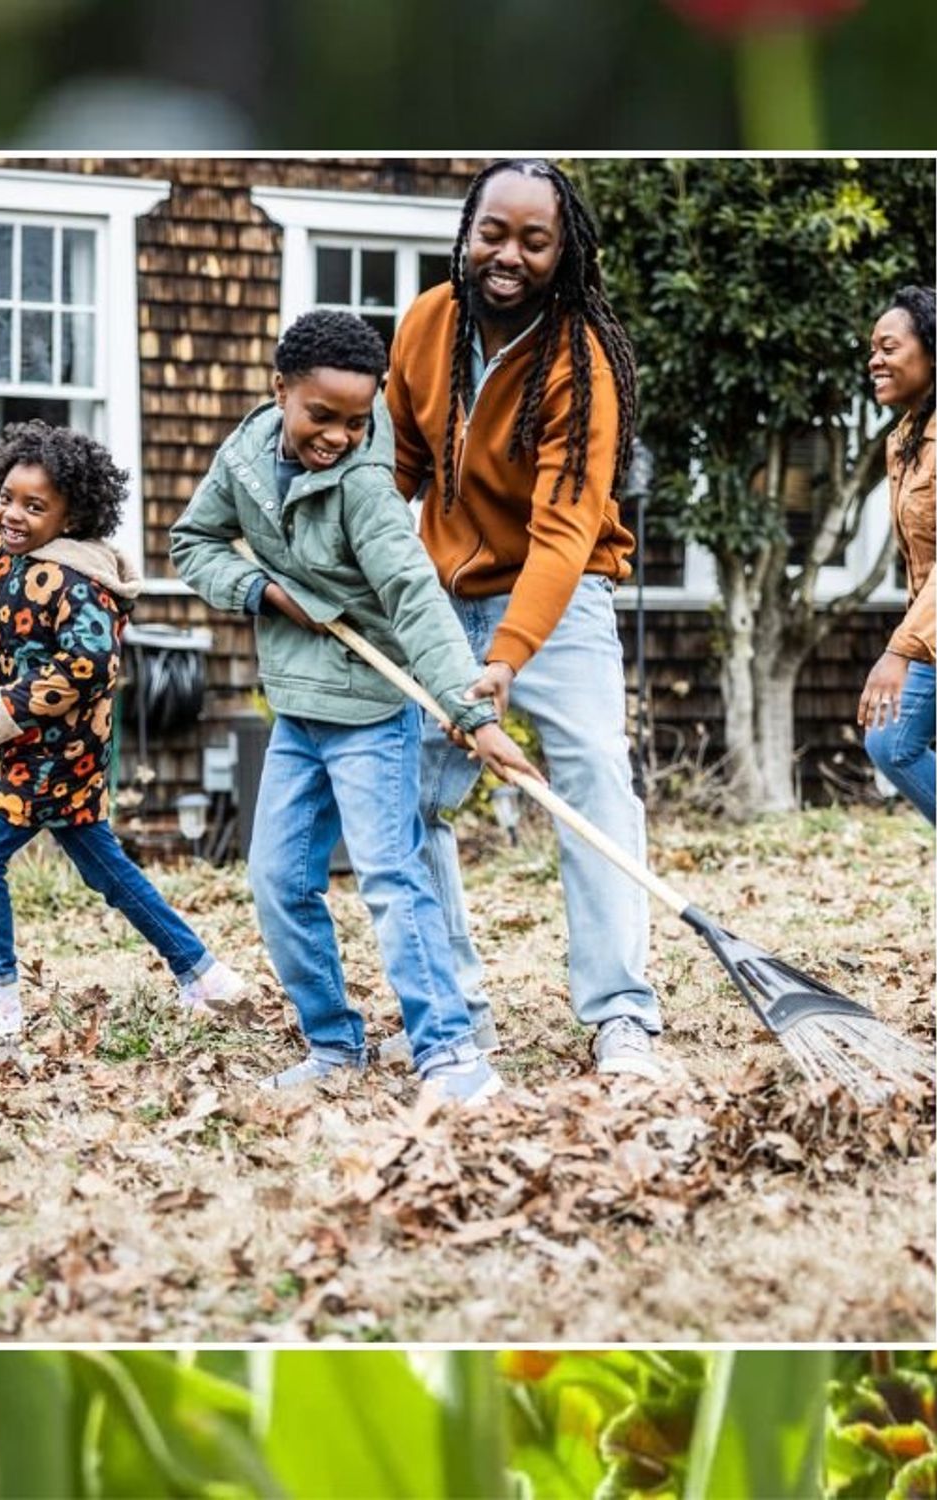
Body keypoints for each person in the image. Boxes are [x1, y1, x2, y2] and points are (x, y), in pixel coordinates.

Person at [170, 309, 541, 1106]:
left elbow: (413, 595)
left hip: (375, 708)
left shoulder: (365, 489)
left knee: (390, 878)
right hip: (299, 710)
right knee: (276, 880)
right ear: (280, 392)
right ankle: (335, 1044)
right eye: (320, 416)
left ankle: (450, 1054)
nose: (337, 435)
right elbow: (191, 543)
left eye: (356, 420)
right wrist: (265, 591)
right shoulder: (243, 453)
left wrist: (472, 714)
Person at [382, 157, 667, 1082]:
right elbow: (398, 469)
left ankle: (622, 1012)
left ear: (562, 249)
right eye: (494, 233)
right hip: (439, 595)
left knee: (591, 775)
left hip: (561, 592)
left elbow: (563, 530)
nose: (509, 255)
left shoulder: (582, 363)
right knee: (405, 794)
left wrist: (506, 659)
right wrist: (378, 575)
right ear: (468, 233)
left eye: (533, 240)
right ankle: (454, 1009)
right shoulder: (426, 323)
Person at [0, 421, 247, 1040]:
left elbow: (88, 665)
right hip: (27, 751)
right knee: (107, 870)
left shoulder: (78, 582)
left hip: (60, 753)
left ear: (71, 518)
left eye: (35, 506)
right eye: (8, 497)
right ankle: (204, 975)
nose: (13, 514)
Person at [859, 284, 937, 821]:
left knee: (893, 741)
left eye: (889, 347)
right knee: (890, 741)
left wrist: (900, 650)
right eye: (872, 350)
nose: (874, 361)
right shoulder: (903, 438)